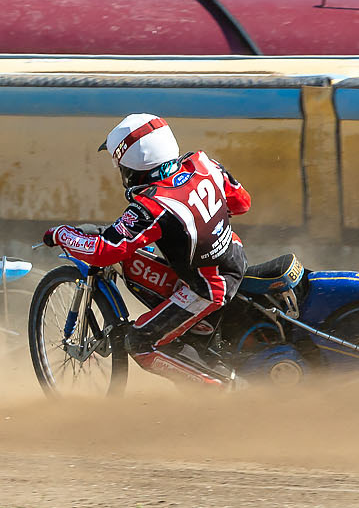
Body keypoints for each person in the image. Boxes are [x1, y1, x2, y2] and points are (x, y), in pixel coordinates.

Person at [44, 112, 250, 387]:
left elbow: (105, 251)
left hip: (208, 287)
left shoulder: (153, 205)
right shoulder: (202, 163)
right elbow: (241, 203)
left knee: (139, 342)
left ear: (133, 168)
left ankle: (222, 389)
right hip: (234, 254)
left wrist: (61, 234)